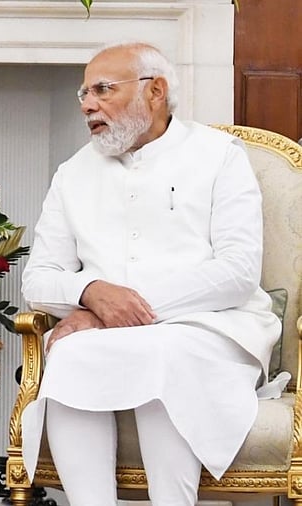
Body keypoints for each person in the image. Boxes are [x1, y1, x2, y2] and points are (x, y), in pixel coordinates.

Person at [19, 42, 280, 505]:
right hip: (111, 339)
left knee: (162, 351)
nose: (87, 105)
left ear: (155, 91)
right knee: (69, 354)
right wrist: (91, 291)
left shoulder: (219, 155)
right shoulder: (72, 173)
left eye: (102, 90)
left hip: (211, 326)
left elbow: (238, 272)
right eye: (83, 93)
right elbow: (37, 278)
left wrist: (111, 311)